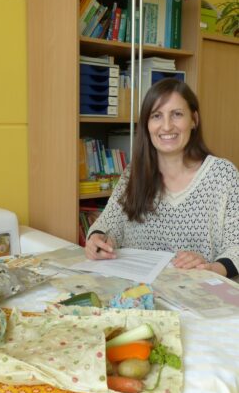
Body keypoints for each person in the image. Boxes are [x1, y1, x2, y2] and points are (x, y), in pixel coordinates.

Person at [85, 78, 239, 279]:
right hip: (139, 297)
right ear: (147, 125)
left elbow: (236, 246)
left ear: (194, 119)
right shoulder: (133, 174)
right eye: (156, 116)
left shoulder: (223, 175)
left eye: (177, 114)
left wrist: (211, 268)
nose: (166, 126)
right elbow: (107, 226)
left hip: (196, 295)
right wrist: (96, 239)